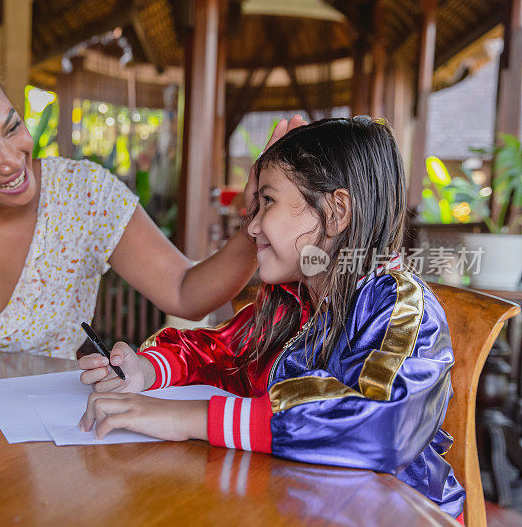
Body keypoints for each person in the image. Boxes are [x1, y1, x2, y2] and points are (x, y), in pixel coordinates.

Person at [77, 117, 465, 521]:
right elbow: (218, 353)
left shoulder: (400, 306)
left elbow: (383, 425)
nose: (254, 226)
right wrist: (142, 370)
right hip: (305, 502)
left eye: (268, 203)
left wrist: (187, 418)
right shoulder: (292, 302)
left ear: (337, 211)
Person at [0, 49, 303, 358]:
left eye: (12, 128)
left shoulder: (84, 195)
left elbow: (185, 292)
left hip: (48, 443)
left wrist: (259, 214)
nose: (14, 160)